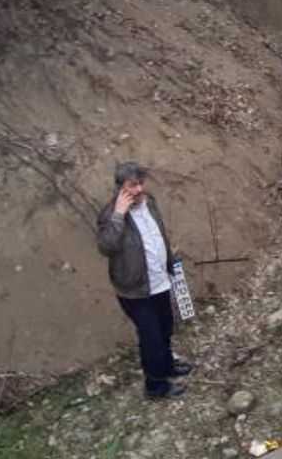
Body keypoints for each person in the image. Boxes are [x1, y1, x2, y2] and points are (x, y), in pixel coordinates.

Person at [96, 162, 191, 399]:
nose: (138, 190)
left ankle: (168, 365)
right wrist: (119, 215)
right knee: (152, 337)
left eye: (140, 183)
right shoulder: (109, 215)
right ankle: (155, 386)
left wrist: (169, 255)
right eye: (132, 185)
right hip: (135, 290)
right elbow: (107, 247)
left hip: (159, 280)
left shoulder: (150, 202)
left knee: (166, 328)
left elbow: (157, 233)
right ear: (120, 187)